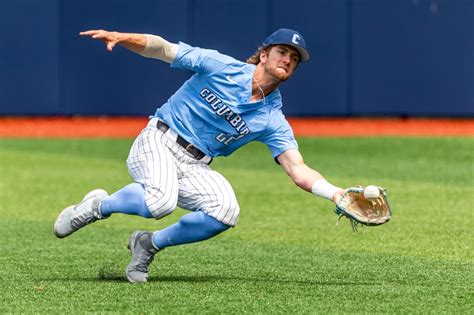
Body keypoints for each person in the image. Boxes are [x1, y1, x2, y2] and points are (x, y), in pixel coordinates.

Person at [53, 28, 345, 283]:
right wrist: (121, 37)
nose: (288, 60)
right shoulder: (221, 67)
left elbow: (298, 169)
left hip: (196, 163)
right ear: (264, 55)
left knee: (225, 212)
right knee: (160, 201)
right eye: (282, 52)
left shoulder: (272, 118)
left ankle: (147, 244)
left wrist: (336, 194)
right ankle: (99, 205)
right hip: (159, 138)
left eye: (294, 59)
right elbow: (164, 49)